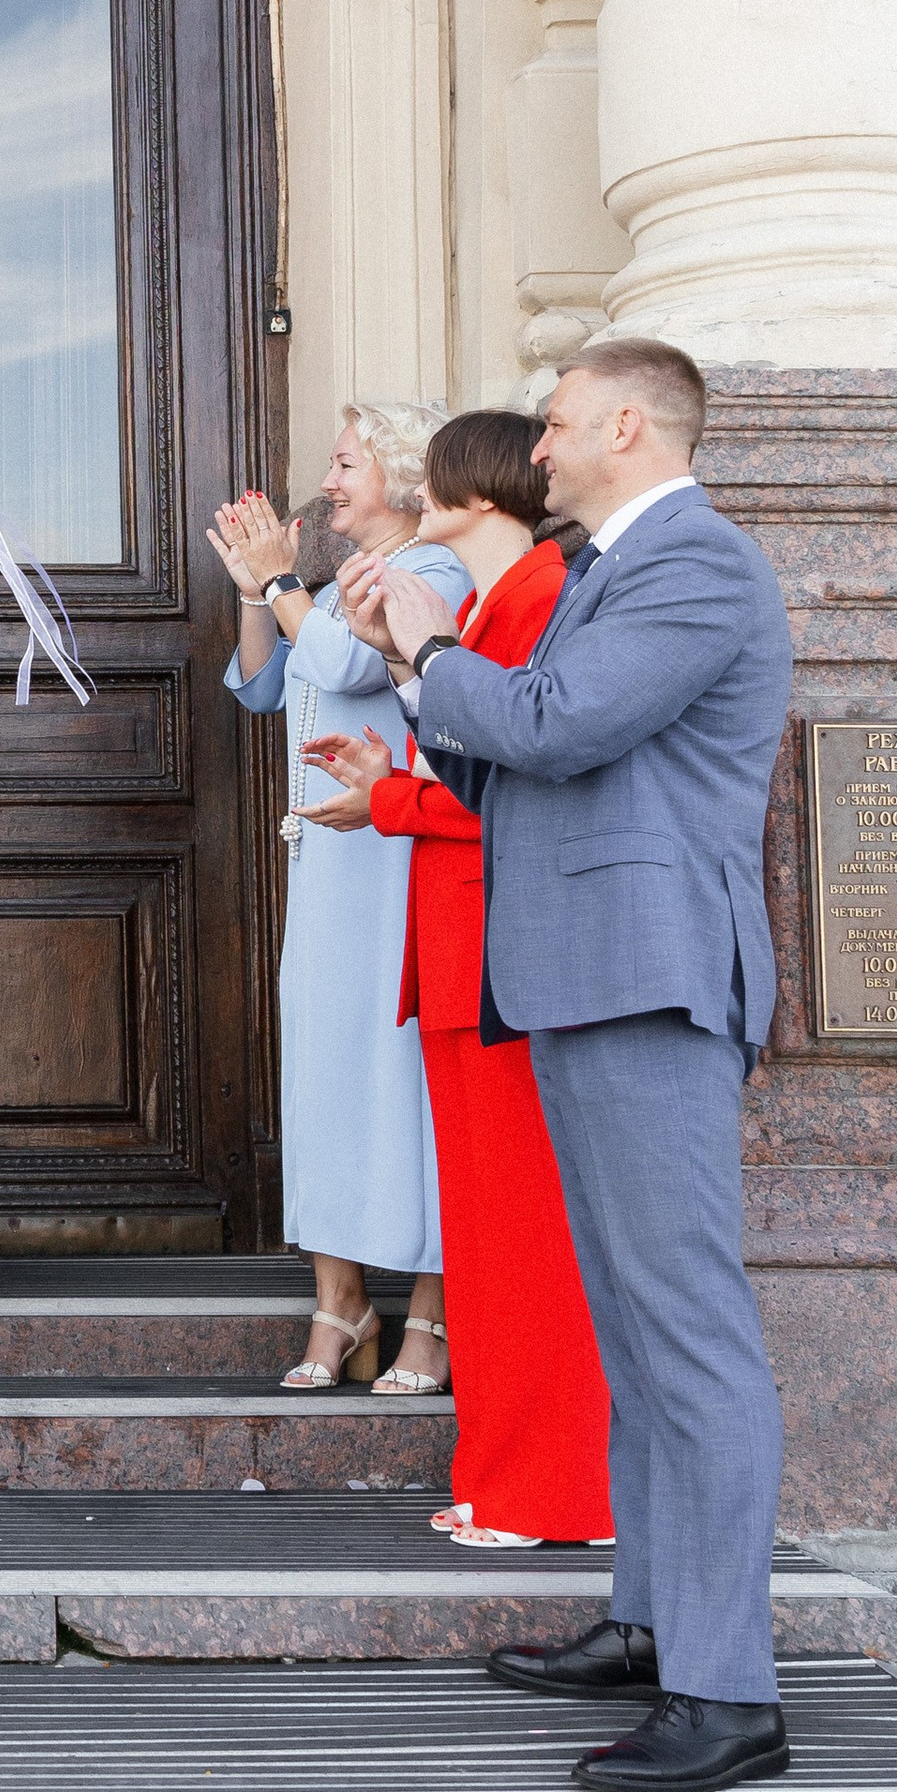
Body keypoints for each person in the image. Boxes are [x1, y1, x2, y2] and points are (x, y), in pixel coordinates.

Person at [360, 337, 796, 1792]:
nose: (534, 452)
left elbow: (556, 725)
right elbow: (509, 757)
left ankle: (729, 1691)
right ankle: (655, 1617)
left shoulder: (697, 562)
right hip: (584, 975)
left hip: (648, 977)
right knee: (632, 1324)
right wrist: (436, 680)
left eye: (552, 426)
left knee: (687, 1330)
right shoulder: (607, 566)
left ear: (626, 422)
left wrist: (429, 647)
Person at [304, 408, 612, 1549]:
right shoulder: (492, 603)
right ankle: (504, 1477)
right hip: (461, 950)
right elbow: (472, 767)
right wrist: (389, 766)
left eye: (434, 479)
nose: (415, 490)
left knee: (519, 1241)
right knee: (492, 1241)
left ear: (474, 494)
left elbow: (515, 781)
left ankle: (545, 1492)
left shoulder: (530, 598)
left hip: (499, 949)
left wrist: (386, 795)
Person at [211, 403, 469, 1394]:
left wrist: (281, 581)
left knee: (401, 1081)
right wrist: (254, 590)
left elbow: (356, 662)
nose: (327, 482)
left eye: (346, 460)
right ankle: (339, 1302)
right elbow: (262, 686)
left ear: (405, 479)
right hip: (331, 866)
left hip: (400, 855)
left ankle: (431, 1316)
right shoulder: (324, 585)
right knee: (323, 1071)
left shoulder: (434, 573)